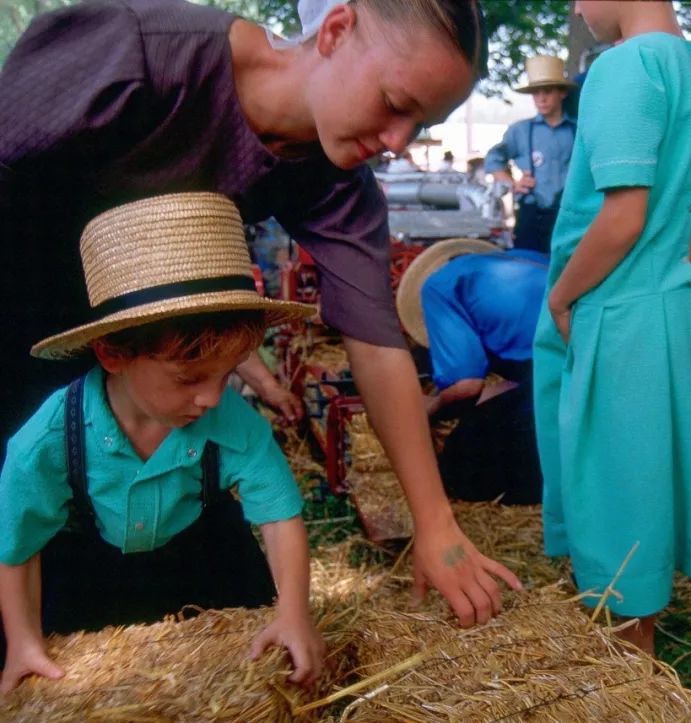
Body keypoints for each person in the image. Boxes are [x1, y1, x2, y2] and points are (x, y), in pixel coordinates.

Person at [0, 0, 520, 628]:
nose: (396, 143)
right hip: (25, 314)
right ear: (335, 31)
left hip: (153, 364)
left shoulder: (339, 186)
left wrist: (435, 524)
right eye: (394, 103)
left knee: (225, 598)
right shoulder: (136, 55)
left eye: (421, 124)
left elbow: (377, 344)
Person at [0, 193, 324, 693]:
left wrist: (294, 612)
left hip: (199, 568)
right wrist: (23, 641)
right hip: (89, 578)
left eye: (227, 374)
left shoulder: (234, 424)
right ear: (112, 355)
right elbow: (18, 546)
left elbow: (279, 518)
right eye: (189, 378)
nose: (212, 398)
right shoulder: (46, 441)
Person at [534, 0, 691, 654]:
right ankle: (635, 638)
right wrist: (680, 256)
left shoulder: (623, 67)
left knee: (614, 474)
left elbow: (623, 216)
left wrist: (562, 296)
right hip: (661, 302)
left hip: (614, 306)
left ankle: (632, 660)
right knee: (648, 463)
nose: (578, 8)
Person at [396, 240, 547, 506]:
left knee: (462, 467)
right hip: (593, 357)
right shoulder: (526, 259)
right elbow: (523, 372)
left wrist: (430, 409)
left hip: (557, 368)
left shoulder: (437, 287)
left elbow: (466, 388)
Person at [485, 55, 577, 254]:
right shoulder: (520, 131)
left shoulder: (577, 130)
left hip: (569, 215)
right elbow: (493, 159)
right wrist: (512, 183)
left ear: (562, 93)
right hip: (531, 214)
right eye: (536, 93)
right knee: (527, 263)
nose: (541, 98)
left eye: (548, 91)